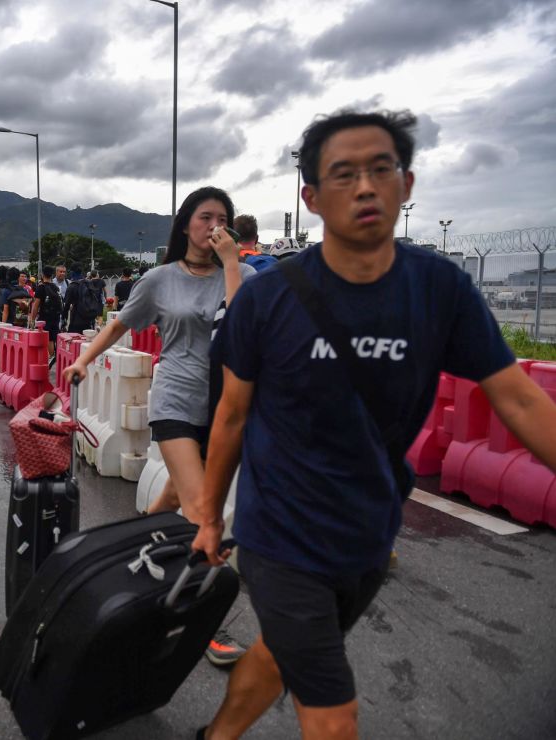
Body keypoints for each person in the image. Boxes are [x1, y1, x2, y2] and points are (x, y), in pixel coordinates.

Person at [192, 110, 556, 740]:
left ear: (406, 185)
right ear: (310, 196)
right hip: (278, 534)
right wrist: (206, 517)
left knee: (283, 655)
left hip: (369, 532)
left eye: (380, 169)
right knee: (334, 718)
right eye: (343, 173)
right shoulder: (266, 298)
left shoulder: (440, 290)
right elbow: (231, 413)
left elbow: (519, 402)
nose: (365, 186)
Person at [63, 186, 254, 669]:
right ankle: (200, 618)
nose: (214, 226)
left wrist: (231, 264)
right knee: (201, 513)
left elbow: (243, 330)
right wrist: (85, 359)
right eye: (205, 216)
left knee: (171, 500)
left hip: (223, 411)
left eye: (223, 219)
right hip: (173, 402)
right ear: (186, 223)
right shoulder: (161, 279)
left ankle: (124, 558)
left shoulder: (245, 275)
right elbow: (118, 325)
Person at [28, 265, 63, 360]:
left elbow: (36, 306)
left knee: (44, 338)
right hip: (55, 317)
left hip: (44, 318)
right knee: (51, 339)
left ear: (42, 275)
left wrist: (32, 319)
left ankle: (47, 359)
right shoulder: (55, 287)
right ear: (52, 275)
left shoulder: (41, 288)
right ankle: (51, 358)